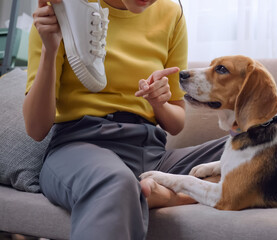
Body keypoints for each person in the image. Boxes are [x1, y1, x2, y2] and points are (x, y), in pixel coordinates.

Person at [24, 0, 226, 239]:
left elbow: (176, 123)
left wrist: (158, 103)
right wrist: (50, 49)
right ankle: (171, 193)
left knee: (262, 144)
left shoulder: (171, 13)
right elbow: (36, 129)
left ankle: (171, 193)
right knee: (116, 181)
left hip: (151, 154)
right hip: (81, 147)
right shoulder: (65, 8)